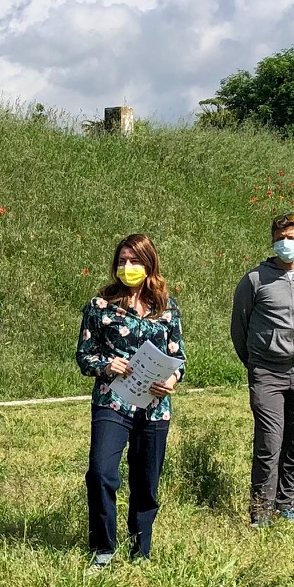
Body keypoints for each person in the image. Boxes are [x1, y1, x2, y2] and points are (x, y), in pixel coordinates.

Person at [77, 235, 185, 568]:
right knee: (100, 472)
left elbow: (178, 357)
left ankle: (141, 550)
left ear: (149, 264)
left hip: (154, 408)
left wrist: (172, 379)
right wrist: (105, 365)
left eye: (135, 261)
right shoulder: (100, 305)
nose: (128, 267)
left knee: (146, 480)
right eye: (123, 261)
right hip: (113, 402)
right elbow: (83, 356)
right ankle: (103, 547)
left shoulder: (167, 307)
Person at [231, 211, 294, 527]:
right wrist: (257, 364)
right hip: (266, 374)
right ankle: (261, 511)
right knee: (269, 444)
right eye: (280, 239)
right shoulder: (255, 279)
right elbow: (239, 327)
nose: (285, 244)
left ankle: (286, 504)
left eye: (291, 238)